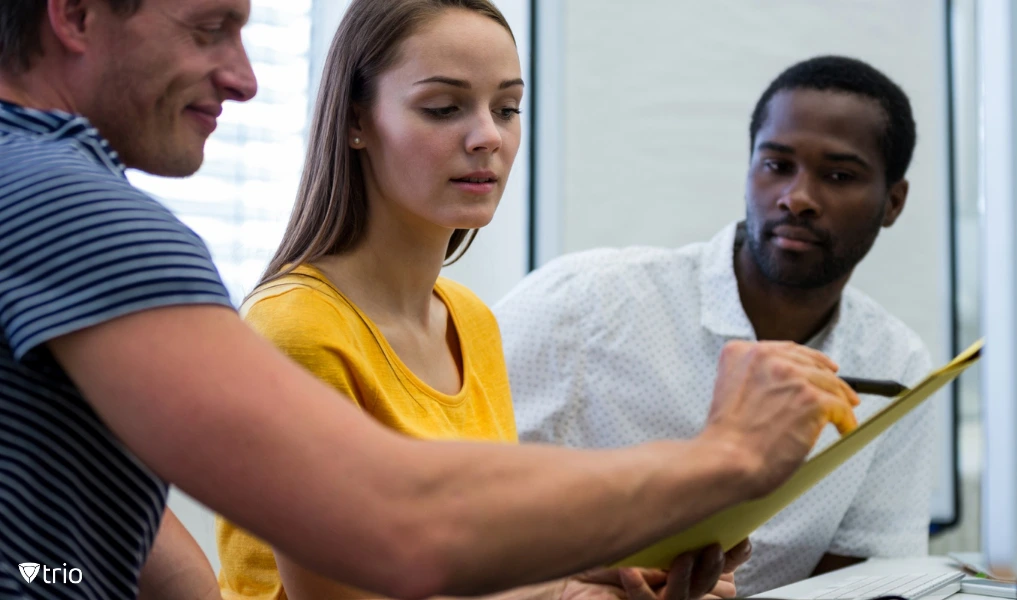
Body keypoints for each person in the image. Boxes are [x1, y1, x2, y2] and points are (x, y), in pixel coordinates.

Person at [0, 1, 861, 599]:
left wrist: (578, 578)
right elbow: (393, 524)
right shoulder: (73, 212)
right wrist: (728, 458)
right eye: (209, 27)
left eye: (508, 107)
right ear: (73, 14)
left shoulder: (471, 319)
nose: (245, 78)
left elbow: (106, 543)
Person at [216, 1, 749, 598]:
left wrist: (618, 571)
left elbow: (471, 561)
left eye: (507, 108)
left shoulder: (470, 321)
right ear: (355, 122)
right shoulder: (296, 327)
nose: (488, 136)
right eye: (443, 108)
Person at [495, 55, 935, 596]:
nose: (796, 198)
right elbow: (451, 506)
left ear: (893, 202)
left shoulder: (898, 364)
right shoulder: (582, 303)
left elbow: (866, 576)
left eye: (839, 176)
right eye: (776, 165)